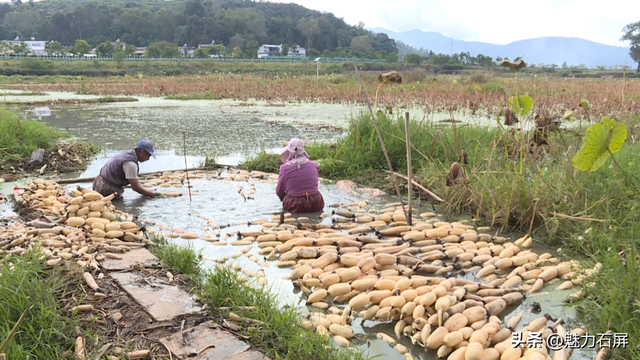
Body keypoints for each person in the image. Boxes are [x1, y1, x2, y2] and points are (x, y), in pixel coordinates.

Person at [92, 139, 158, 199]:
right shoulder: (130, 164)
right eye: (148, 156)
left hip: (98, 181)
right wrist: (152, 194)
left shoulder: (129, 153)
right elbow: (135, 187)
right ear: (142, 152)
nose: (148, 159)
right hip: (106, 187)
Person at [275, 138, 325, 213]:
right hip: (316, 202)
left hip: (294, 204)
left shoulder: (284, 168)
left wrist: (284, 198)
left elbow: (279, 190)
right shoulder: (314, 165)